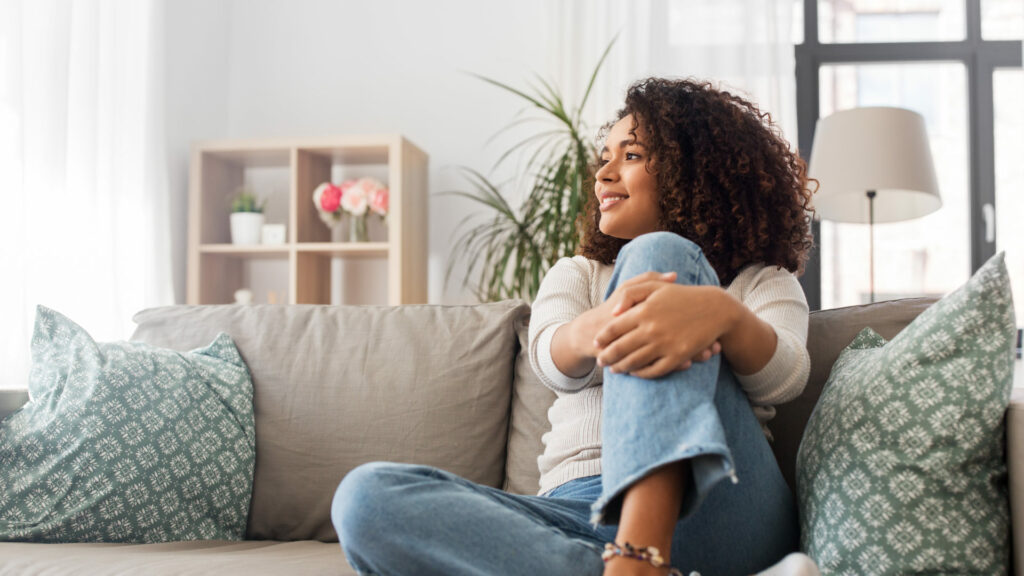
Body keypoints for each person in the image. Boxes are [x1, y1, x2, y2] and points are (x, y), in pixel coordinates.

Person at [331, 77, 818, 576]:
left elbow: (784, 377)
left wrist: (723, 315)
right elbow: (552, 361)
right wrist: (600, 326)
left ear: (696, 170)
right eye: (603, 157)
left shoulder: (762, 281)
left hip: (717, 505)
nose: (603, 172)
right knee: (364, 499)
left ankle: (638, 558)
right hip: (575, 511)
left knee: (657, 254)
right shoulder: (578, 273)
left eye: (630, 155)